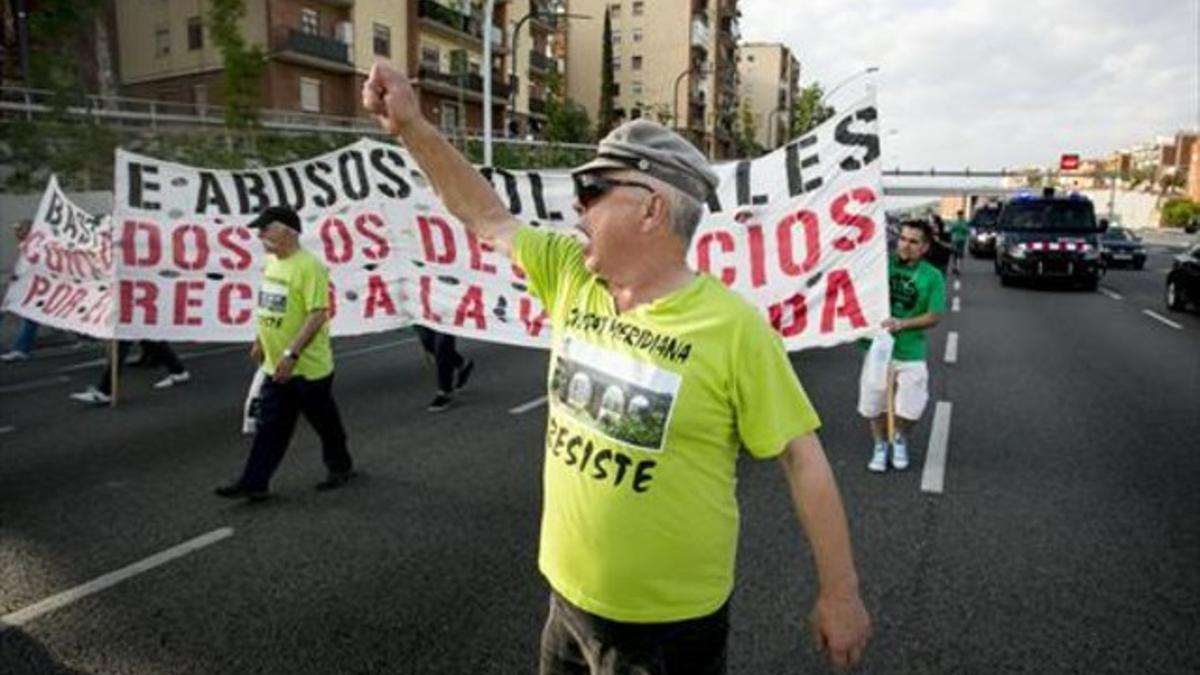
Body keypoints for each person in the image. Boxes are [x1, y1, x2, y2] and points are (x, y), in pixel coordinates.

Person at [362, 62, 871, 673]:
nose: (576, 207)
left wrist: (840, 595)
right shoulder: (571, 274)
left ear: (651, 210)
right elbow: (487, 217)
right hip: (566, 606)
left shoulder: (733, 329)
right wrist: (412, 127)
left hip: (667, 634)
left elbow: (802, 457)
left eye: (593, 191)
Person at [214, 206, 354, 502]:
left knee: (324, 422)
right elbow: (268, 304)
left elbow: (317, 314)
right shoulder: (272, 263)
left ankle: (341, 466)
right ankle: (255, 482)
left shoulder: (309, 266)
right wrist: (260, 340)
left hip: (308, 367)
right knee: (271, 425)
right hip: (274, 364)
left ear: (289, 231)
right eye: (259, 229)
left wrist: (291, 354)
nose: (260, 234)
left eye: (266, 228)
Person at [860, 220, 945, 473]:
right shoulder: (880, 264)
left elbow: (934, 316)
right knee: (873, 404)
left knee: (912, 406)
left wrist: (902, 323)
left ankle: (898, 437)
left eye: (913, 241)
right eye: (903, 239)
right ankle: (880, 445)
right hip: (877, 348)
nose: (905, 245)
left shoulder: (932, 276)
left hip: (910, 350)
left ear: (925, 247)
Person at [69, 340, 191, 405]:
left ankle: (106, 390)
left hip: (132, 305)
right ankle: (178, 371)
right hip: (134, 304)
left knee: (121, 344)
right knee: (149, 338)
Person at [2, 220, 41, 362]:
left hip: (31, 288)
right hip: (23, 287)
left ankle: (21, 349)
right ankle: (22, 348)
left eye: (19, 230)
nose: (16, 233)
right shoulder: (25, 246)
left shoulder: (33, 247)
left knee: (30, 318)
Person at [413, 325, 474, 412]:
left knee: (442, 345)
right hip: (423, 314)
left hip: (445, 314)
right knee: (429, 344)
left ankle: (445, 391)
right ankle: (461, 364)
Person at [949, 209, 970, 275]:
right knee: (959, 255)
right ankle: (958, 268)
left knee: (955, 254)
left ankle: (955, 267)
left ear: (958, 215)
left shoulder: (955, 222)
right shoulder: (965, 222)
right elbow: (967, 232)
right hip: (962, 240)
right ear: (962, 215)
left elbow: (951, 230)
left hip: (955, 240)